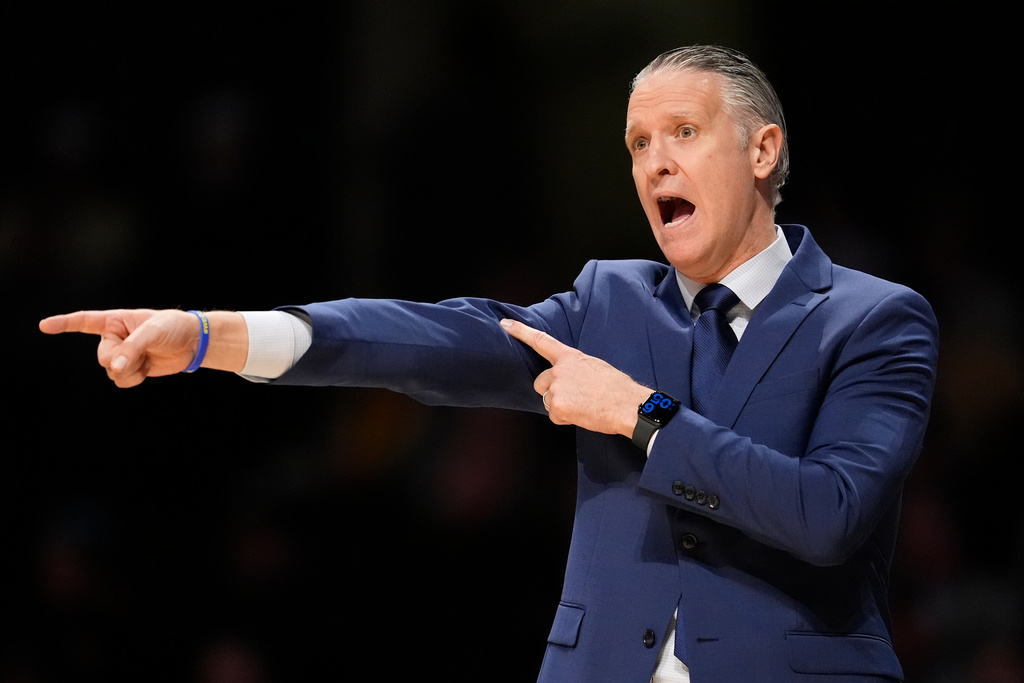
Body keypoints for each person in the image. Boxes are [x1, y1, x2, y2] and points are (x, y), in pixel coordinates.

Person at [39, 45, 938, 682]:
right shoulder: (611, 301)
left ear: (762, 150)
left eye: (682, 131)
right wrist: (213, 334)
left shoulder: (872, 318)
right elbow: (430, 341)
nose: (655, 162)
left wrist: (640, 414)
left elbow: (828, 512)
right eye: (637, 144)